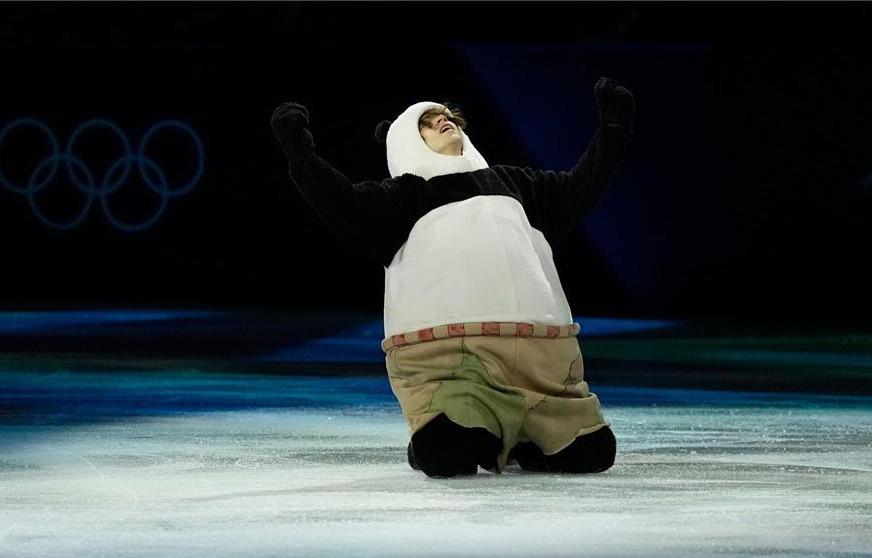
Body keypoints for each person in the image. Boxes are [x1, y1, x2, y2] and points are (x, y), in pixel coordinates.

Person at [271, 77, 634, 478]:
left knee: (592, 452)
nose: (444, 121)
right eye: (427, 121)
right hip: (454, 369)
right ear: (406, 139)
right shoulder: (403, 198)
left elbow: (583, 186)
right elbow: (338, 200)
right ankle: (461, 427)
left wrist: (613, 128)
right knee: (448, 453)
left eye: (446, 116)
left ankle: (527, 435)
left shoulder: (515, 185)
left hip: (541, 371)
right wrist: (299, 150)